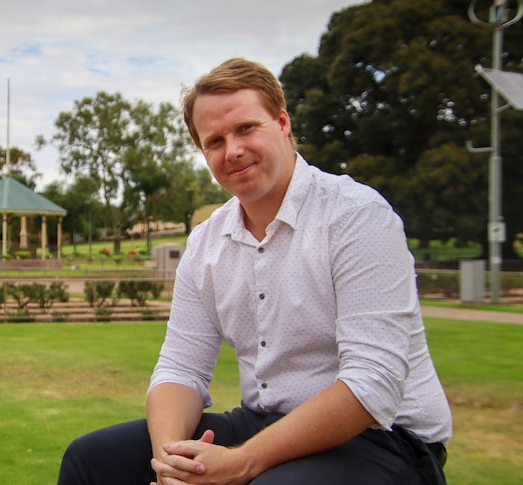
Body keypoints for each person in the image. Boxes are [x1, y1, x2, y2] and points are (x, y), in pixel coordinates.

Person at [58, 58, 452, 485]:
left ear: (282, 122)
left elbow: (373, 382)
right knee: (90, 460)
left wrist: (243, 462)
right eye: (215, 141)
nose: (233, 150)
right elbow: (180, 368)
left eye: (247, 128)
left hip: (385, 439)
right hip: (262, 420)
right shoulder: (207, 243)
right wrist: (171, 464)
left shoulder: (356, 216)